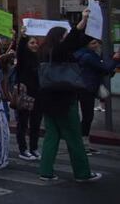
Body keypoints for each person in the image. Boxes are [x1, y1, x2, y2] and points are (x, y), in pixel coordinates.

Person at [37, 10, 102, 182]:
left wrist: (87, 24)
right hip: (64, 99)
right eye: (64, 36)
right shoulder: (59, 51)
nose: (67, 38)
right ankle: (83, 173)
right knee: (74, 137)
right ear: (59, 38)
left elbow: (77, 41)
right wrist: (83, 21)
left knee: (52, 136)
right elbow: (73, 40)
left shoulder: (44, 51)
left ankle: (46, 171)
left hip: (47, 99)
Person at [74, 36, 119, 156]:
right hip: (87, 88)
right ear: (86, 45)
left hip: (85, 87)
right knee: (88, 117)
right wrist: (115, 59)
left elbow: (103, 70)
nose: (96, 45)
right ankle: (83, 144)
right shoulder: (88, 56)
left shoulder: (86, 54)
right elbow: (104, 69)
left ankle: (84, 143)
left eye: (96, 43)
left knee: (86, 116)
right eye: (93, 43)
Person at [13, 32, 42, 160]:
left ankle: (34, 148)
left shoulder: (38, 58)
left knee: (36, 123)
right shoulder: (23, 58)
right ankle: (23, 149)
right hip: (25, 95)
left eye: (36, 43)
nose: (35, 45)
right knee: (23, 123)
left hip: (38, 94)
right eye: (32, 43)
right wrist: (23, 37)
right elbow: (20, 51)